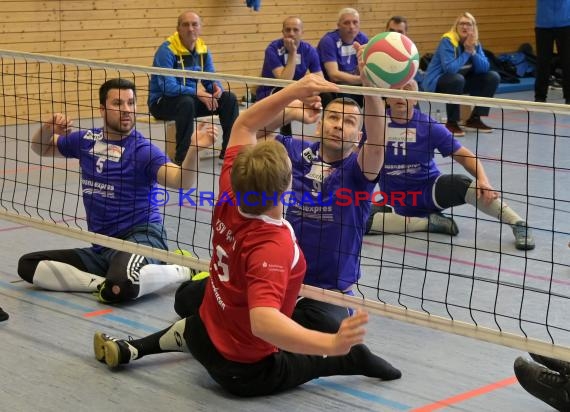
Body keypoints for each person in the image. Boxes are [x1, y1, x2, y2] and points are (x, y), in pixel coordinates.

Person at [93, 75, 401, 396]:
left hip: (316, 294)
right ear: (287, 185)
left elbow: (245, 126)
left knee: (205, 308)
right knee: (302, 345)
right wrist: (332, 344)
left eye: (349, 121)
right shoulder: (277, 236)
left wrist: (356, 91)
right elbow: (264, 323)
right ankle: (351, 357)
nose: (339, 125)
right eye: (334, 117)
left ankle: (139, 347)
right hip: (249, 358)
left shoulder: (230, 192)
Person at [17, 78, 217, 303]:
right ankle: (105, 283)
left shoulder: (142, 150)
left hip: (141, 239)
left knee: (121, 288)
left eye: (131, 103)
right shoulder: (86, 141)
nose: (126, 110)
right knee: (28, 265)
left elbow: (181, 181)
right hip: (102, 246)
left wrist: (194, 150)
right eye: (118, 103)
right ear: (102, 109)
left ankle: (181, 268)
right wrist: (48, 129)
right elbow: (41, 148)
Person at [364, 79, 535, 251]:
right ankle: (427, 223)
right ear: (387, 96)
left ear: (416, 98)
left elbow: (465, 156)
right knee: (355, 219)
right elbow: (358, 159)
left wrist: (483, 180)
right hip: (393, 199)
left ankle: (518, 223)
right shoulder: (375, 124)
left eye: (407, 89)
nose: (401, 94)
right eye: (396, 89)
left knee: (464, 184)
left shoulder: (428, 125)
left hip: (428, 192)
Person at [148, 10, 239, 163]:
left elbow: (210, 79)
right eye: (185, 25)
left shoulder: (203, 50)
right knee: (186, 102)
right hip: (161, 103)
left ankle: (229, 152)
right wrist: (198, 93)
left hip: (188, 101)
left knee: (229, 98)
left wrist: (216, 89)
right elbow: (168, 88)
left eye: (194, 24)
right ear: (178, 29)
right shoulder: (166, 51)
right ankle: (182, 159)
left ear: (200, 28)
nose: (190, 29)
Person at [423, 12, 500, 137]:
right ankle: (452, 123)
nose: (465, 27)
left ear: (473, 28)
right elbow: (450, 69)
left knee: (493, 77)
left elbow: (485, 68)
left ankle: (474, 119)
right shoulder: (447, 41)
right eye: (461, 24)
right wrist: (466, 53)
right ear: (456, 27)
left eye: (468, 24)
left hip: (460, 82)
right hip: (438, 83)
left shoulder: (475, 43)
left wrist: (473, 52)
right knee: (457, 79)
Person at [256, 16, 323, 135]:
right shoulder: (272, 49)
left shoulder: (309, 50)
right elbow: (284, 81)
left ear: (302, 32)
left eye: (295, 30)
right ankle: (286, 136)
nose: (291, 33)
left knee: (325, 95)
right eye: (288, 30)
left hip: (296, 92)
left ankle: (324, 131)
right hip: (271, 92)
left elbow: (320, 80)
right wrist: (293, 53)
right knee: (285, 97)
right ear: (282, 32)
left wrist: (309, 94)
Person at [317, 8, 368, 108]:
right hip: (335, 86)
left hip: (355, 82)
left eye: (355, 22)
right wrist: (361, 80)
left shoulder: (362, 39)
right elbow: (334, 75)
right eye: (346, 23)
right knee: (347, 96)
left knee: (373, 93)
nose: (352, 26)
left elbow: (365, 66)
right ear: (338, 25)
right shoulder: (328, 41)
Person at [534, 0, 570, 104]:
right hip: (543, 23)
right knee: (543, 62)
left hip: (566, 22)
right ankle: (540, 97)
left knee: (567, 62)